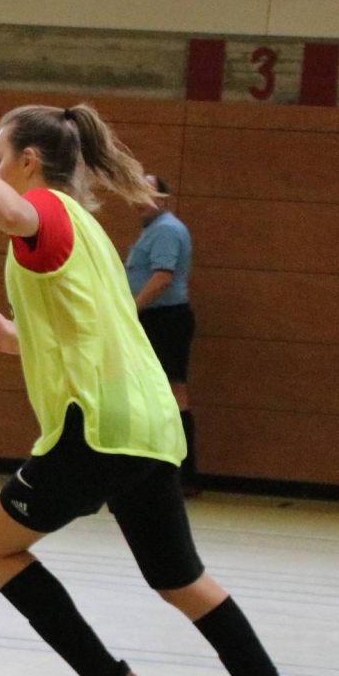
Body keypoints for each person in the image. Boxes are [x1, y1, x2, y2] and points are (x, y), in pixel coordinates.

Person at [0, 97, 324, 676]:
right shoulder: (84, 228)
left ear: (28, 161)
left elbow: (12, 213)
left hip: (97, 431)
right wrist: (21, 340)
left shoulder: (45, 210)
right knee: (183, 582)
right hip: (149, 428)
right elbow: (89, 330)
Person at [125, 176, 199, 495]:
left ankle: (183, 476)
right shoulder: (154, 230)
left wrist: (130, 309)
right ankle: (164, 473)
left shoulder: (166, 230)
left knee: (173, 395)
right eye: (135, 194)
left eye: (147, 193)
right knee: (154, 395)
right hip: (155, 319)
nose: (139, 200)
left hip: (165, 320)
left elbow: (161, 278)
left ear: (163, 199)